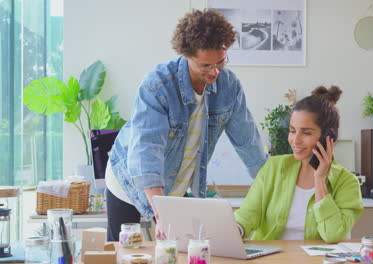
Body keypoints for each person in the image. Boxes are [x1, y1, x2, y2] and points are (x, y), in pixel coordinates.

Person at [105, 9, 267, 241]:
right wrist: (161, 213)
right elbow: (146, 150)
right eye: (205, 66)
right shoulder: (159, 84)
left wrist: (270, 187)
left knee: (176, 252)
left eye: (220, 62)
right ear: (186, 55)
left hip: (175, 189)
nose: (215, 72)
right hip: (128, 181)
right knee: (125, 252)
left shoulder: (229, 86)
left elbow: (248, 143)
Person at [234, 86, 363, 243]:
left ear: (328, 137)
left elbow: (333, 235)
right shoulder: (274, 167)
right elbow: (248, 214)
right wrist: (234, 230)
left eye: (306, 132)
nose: (295, 140)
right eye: (293, 130)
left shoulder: (347, 182)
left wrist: (320, 179)